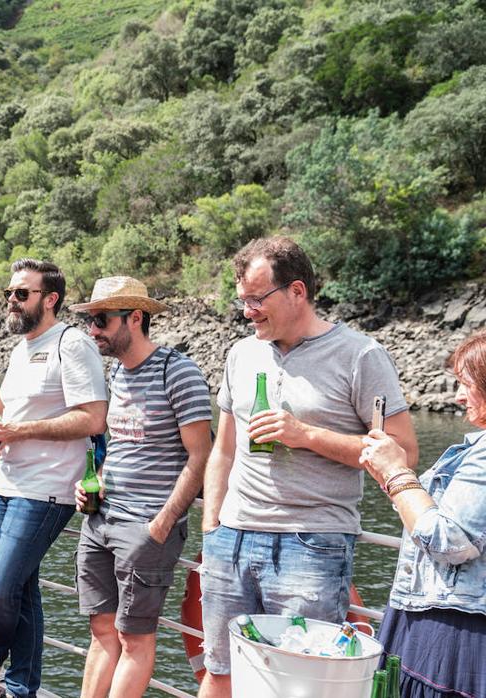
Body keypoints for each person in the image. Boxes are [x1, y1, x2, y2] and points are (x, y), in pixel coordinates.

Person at [197, 237, 419, 698]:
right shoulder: (241, 355)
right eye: (243, 300)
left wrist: (306, 436)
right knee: (220, 673)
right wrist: (211, 526)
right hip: (231, 541)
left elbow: (404, 451)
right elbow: (224, 449)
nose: (247, 311)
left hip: (312, 543)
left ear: (297, 291)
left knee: (303, 686)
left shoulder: (360, 356)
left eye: (257, 299)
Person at [0, 259, 108, 698]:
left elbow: (93, 418)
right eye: (10, 293)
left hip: (46, 491)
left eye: (22, 293)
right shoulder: (22, 348)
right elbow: (19, 416)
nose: (12, 300)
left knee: (1, 588)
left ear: (50, 299)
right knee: (23, 590)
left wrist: (16, 431)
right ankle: (21, 689)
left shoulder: (73, 343)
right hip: (7, 485)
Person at [68, 277, 213, 698]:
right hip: (101, 518)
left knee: (134, 637)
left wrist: (163, 523)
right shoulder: (117, 372)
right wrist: (90, 483)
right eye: (90, 320)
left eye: (100, 320)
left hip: (147, 527)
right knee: (101, 629)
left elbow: (200, 456)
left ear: (135, 318)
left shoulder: (178, 372)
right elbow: (122, 446)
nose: (92, 330)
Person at [361, 331, 486, 698]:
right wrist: (390, 476)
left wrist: (397, 472)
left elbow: (448, 541)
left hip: (452, 635)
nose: (459, 396)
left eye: (466, 384)